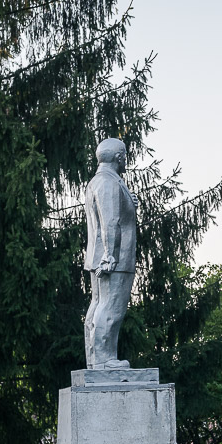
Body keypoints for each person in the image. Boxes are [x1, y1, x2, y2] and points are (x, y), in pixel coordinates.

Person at [83, 137, 137, 370]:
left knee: (99, 304)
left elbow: (115, 214)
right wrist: (110, 255)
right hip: (114, 257)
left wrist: (129, 204)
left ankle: (97, 359)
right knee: (111, 306)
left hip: (104, 256)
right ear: (118, 157)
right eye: (124, 155)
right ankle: (104, 360)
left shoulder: (101, 181)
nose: (126, 159)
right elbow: (109, 221)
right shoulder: (108, 182)